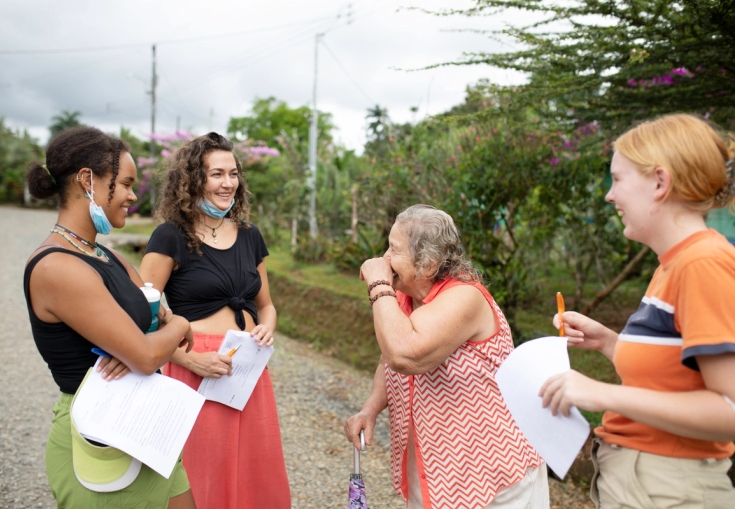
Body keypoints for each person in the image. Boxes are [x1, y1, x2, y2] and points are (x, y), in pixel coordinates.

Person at [539, 114, 735, 508]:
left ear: (660, 183)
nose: (610, 196)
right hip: (648, 483)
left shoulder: (702, 263)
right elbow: (678, 377)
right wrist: (611, 343)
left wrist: (600, 392)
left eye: (618, 178)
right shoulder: (673, 263)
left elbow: (728, 409)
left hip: (668, 487)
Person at [23, 126, 195, 508]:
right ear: (88, 180)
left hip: (146, 426)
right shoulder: (56, 267)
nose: (133, 196)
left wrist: (152, 337)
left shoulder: (105, 255)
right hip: (98, 437)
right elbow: (150, 353)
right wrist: (178, 327)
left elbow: (155, 314)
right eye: (126, 184)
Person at [344, 204, 549, 509]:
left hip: (491, 473)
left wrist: (378, 283)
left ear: (428, 265)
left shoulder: (466, 297)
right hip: (434, 469)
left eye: (394, 249)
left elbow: (403, 353)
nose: (385, 258)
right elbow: (388, 357)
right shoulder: (404, 297)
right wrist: (370, 409)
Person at [139, 132, 290, 509]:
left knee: (255, 471)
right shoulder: (170, 236)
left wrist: (267, 326)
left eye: (233, 174)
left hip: (247, 367)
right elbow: (140, 317)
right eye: (216, 174)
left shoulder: (251, 236)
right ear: (193, 180)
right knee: (202, 474)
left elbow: (267, 305)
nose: (228, 183)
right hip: (195, 368)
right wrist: (188, 359)